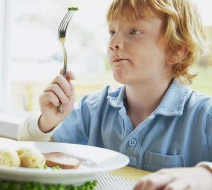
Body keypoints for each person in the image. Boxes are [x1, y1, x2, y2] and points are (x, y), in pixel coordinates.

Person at [18, 0, 212, 189]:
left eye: (134, 31)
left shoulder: (205, 115)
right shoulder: (92, 109)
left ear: (177, 50)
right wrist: (46, 123)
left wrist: (205, 174)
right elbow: (32, 154)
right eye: (112, 31)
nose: (113, 43)